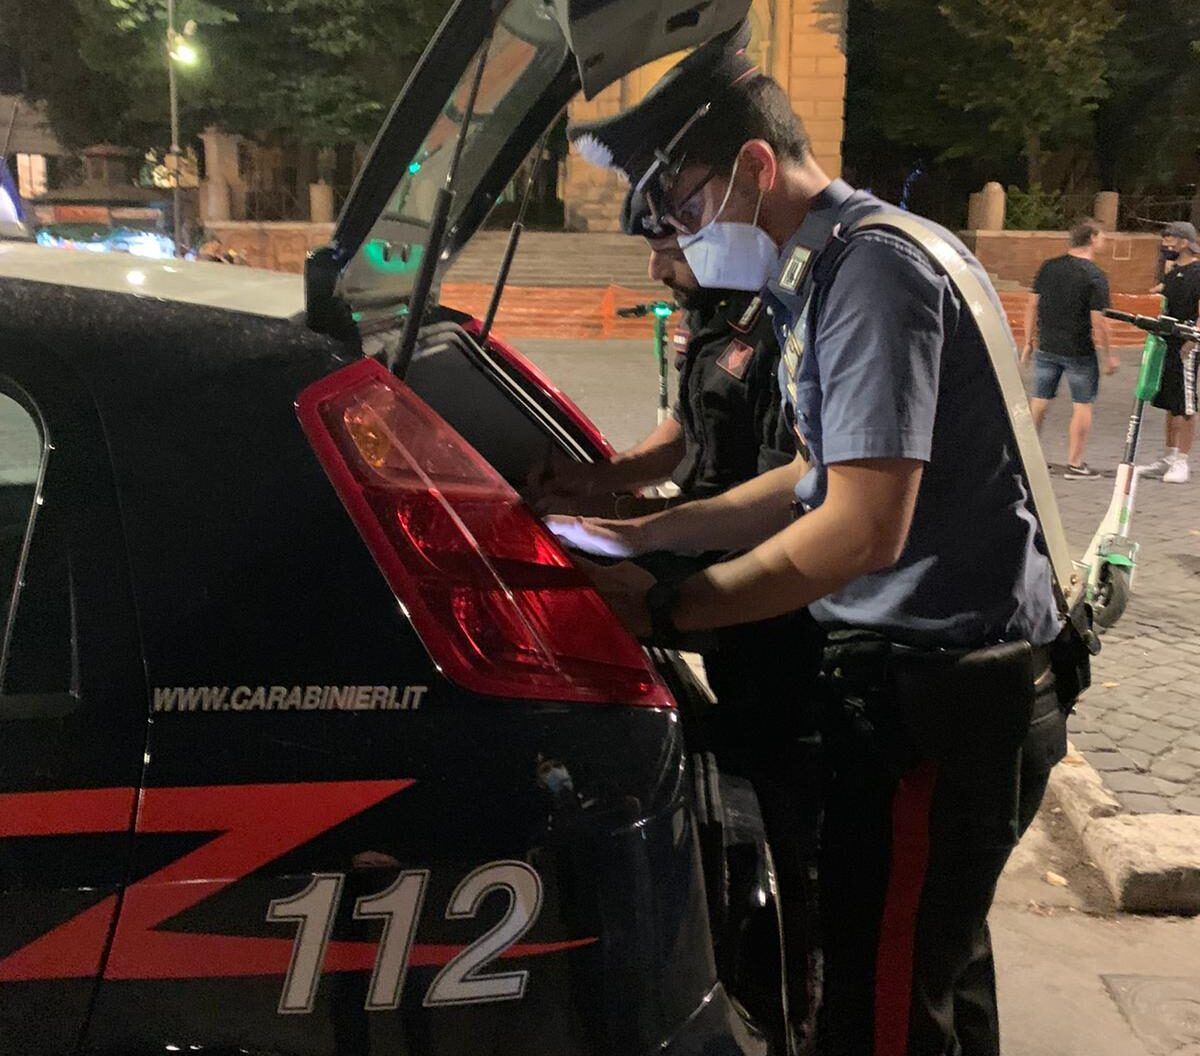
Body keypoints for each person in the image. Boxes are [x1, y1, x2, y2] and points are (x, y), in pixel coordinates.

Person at [545, 30, 1088, 1056]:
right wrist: (657, 530)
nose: (683, 237)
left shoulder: (871, 273)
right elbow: (810, 472)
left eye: (686, 207)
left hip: (938, 699)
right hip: (961, 686)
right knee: (935, 970)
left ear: (755, 166)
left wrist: (667, 607)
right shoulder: (842, 261)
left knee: (875, 1004)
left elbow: (857, 528)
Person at [534, 35, 823, 1050]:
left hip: (780, 600)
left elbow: (811, 497)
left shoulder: (805, 293)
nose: (668, 257)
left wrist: (658, 576)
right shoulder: (714, 307)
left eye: (677, 225)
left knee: (804, 852)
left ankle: (793, 999)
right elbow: (687, 435)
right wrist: (604, 490)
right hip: (720, 568)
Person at [1021, 219, 1119, 479]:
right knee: (1082, 404)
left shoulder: (1049, 267)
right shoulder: (1094, 275)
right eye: (1102, 237)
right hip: (1078, 350)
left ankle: (1027, 458)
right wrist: (1108, 356)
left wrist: (1028, 341)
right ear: (1092, 238)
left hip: (1047, 346)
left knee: (1039, 401)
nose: (1104, 241)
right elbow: (1099, 321)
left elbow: (1032, 305)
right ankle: (1075, 464)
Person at [1140, 221, 1200, 484]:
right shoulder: (1173, 272)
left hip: (1187, 342)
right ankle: (1170, 455)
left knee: (1185, 403)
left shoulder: (1198, 271)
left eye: (1171, 239)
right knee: (1170, 400)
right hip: (1168, 341)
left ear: (1185, 242)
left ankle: (1182, 461)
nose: (1166, 244)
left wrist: (1194, 337)